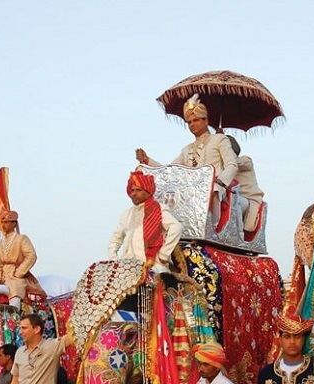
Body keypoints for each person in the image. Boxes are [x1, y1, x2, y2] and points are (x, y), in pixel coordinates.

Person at [135, 94, 241, 226]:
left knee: (213, 189)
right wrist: (147, 160)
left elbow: (232, 165)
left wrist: (220, 181)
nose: (192, 125)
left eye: (196, 120)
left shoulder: (219, 139)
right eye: (189, 122)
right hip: (191, 190)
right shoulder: (187, 149)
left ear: (206, 121)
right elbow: (170, 169)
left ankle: (212, 227)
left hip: (216, 186)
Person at [108, 171, 182, 274]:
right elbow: (116, 239)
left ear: (148, 191)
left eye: (138, 190)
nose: (134, 194)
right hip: (127, 266)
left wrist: (163, 255)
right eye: (132, 190)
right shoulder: (127, 214)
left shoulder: (159, 209)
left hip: (153, 266)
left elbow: (176, 227)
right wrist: (113, 260)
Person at [0, 210, 44, 309]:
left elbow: (31, 256)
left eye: (6, 222)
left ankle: (16, 319)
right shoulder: (0, 243)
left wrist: (19, 273)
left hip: (17, 276)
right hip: (3, 276)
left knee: (15, 294)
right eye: (2, 222)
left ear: (14, 223)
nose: (3, 225)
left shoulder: (21, 239)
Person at [226, 135, 265, 233]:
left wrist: (221, 140)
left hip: (249, 200)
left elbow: (233, 165)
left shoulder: (245, 160)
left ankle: (238, 234)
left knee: (235, 201)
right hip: (231, 197)